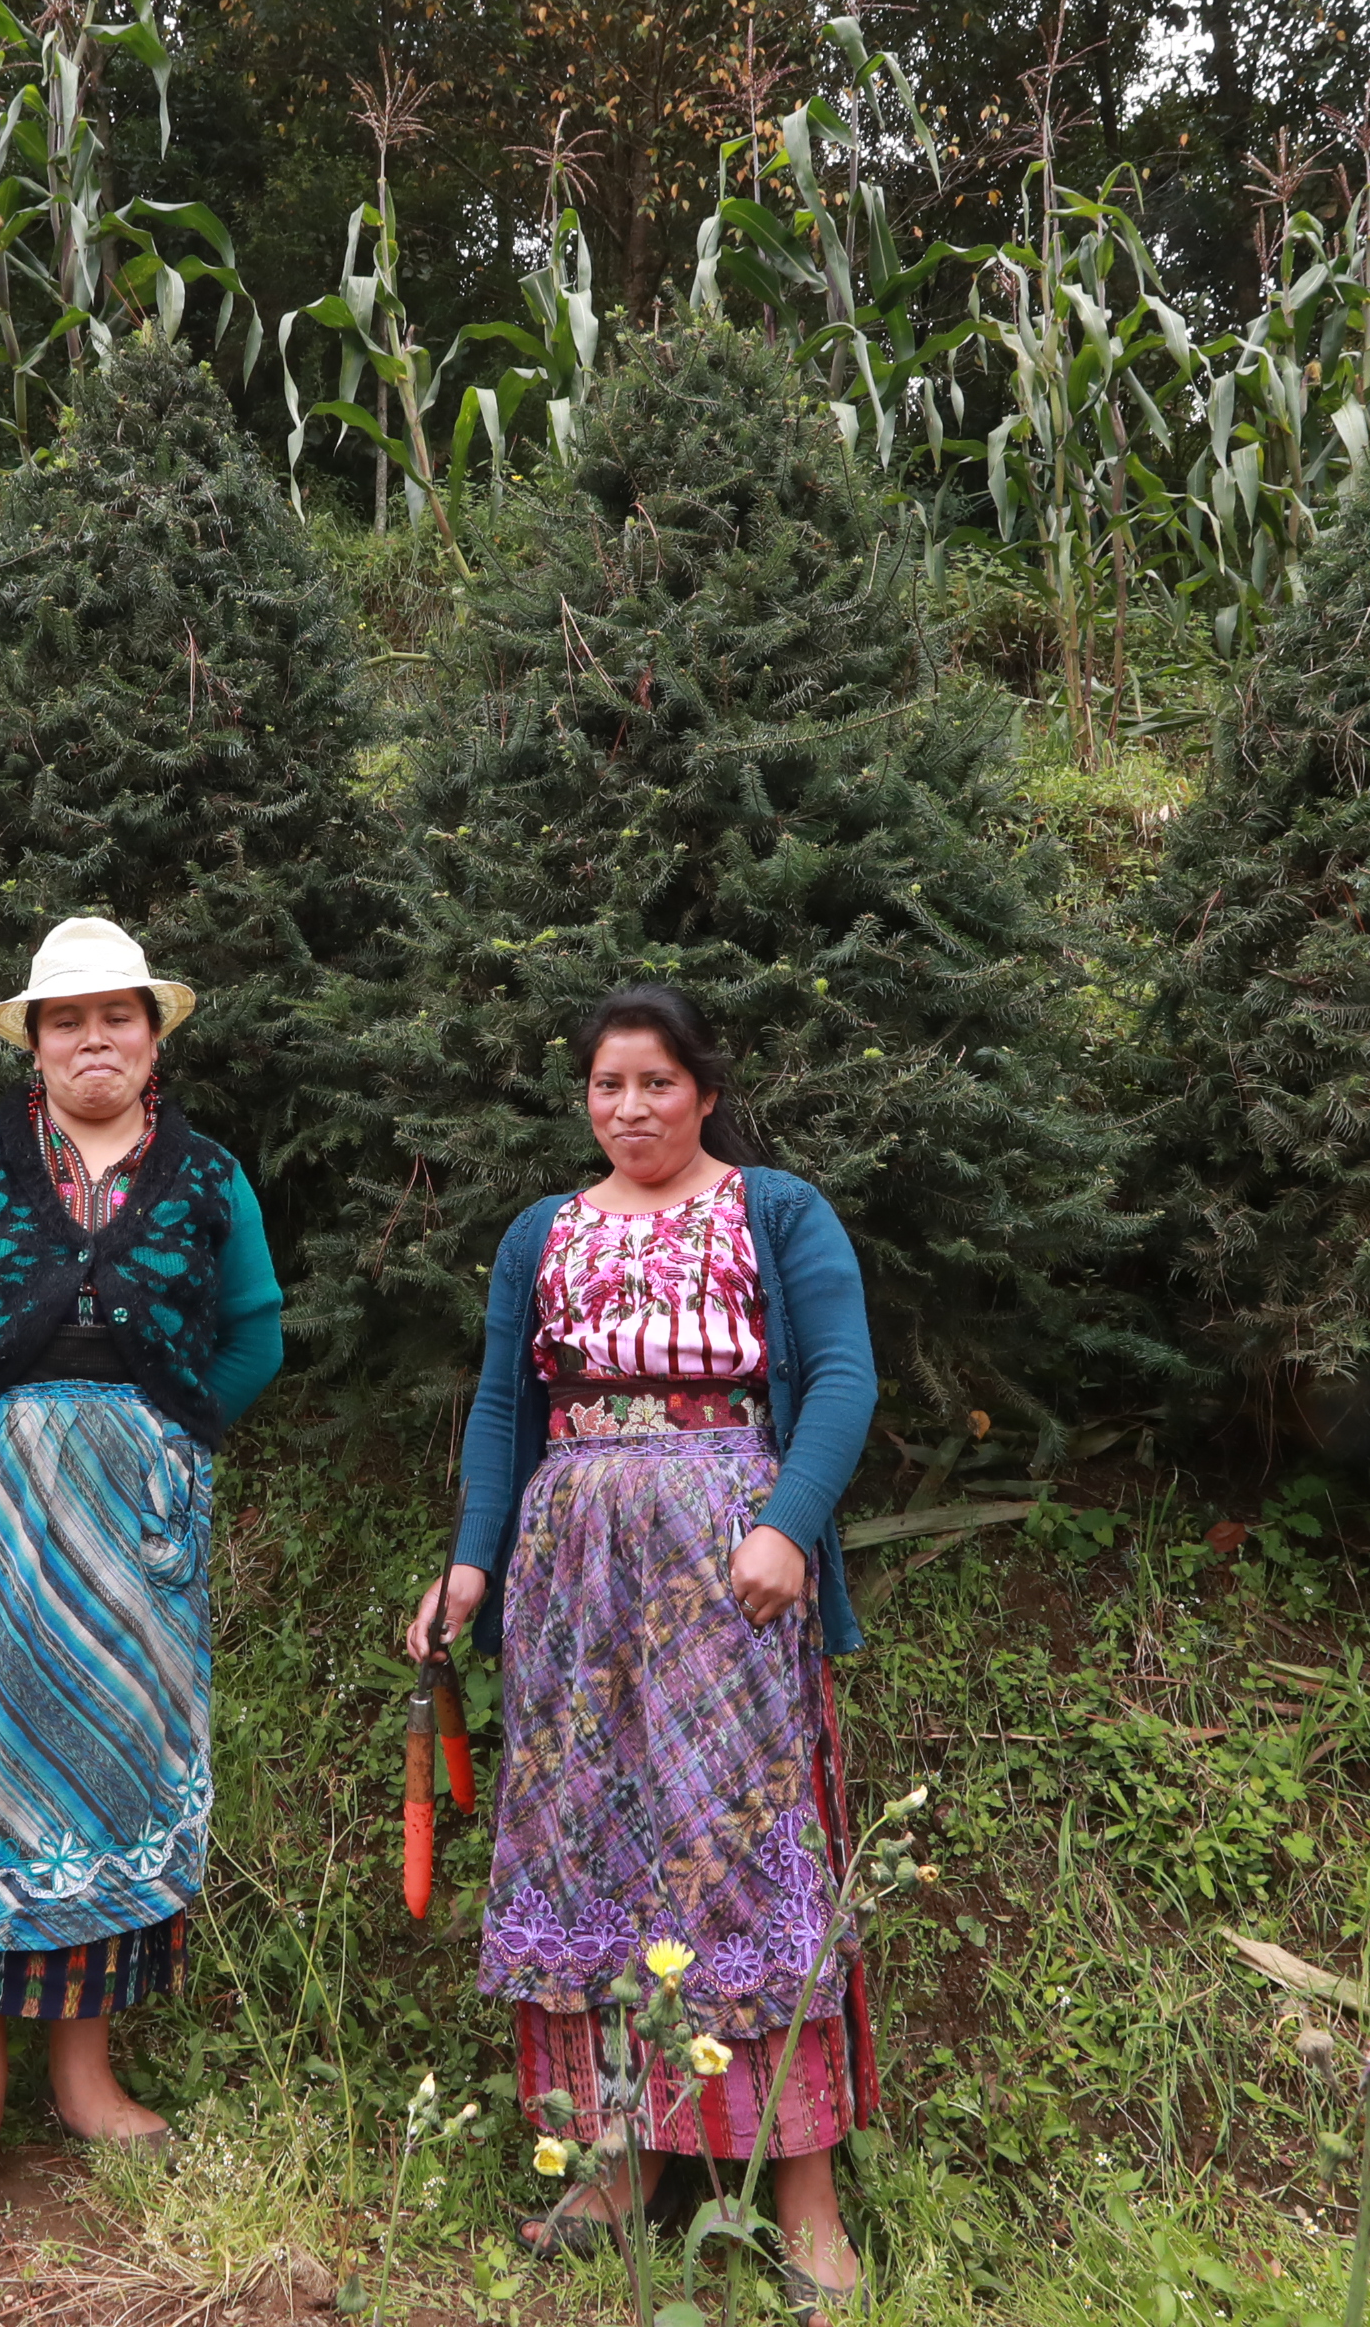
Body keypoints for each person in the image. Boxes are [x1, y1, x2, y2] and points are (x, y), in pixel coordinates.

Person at [404, 983, 885, 2316]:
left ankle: (805, 2193)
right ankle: (620, 2157)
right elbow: (505, 1413)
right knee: (588, 1852)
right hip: (574, 1582)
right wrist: (470, 1564)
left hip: (733, 1574)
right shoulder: (539, 1234)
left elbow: (843, 1378)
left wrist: (788, 1526)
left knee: (745, 1857)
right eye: (608, 1087)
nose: (632, 1111)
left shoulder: (776, 1211)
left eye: (657, 1085)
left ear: (705, 1090)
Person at [0, 917, 285, 2208]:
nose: (94, 1038)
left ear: (152, 1034)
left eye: (117, 1017)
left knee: (106, 1773)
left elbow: (253, 1334)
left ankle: (86, 2079)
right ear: (33, 1038)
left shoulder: (208, 1174)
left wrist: (172, 1442)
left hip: (133, 1538)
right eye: (66, 1019)